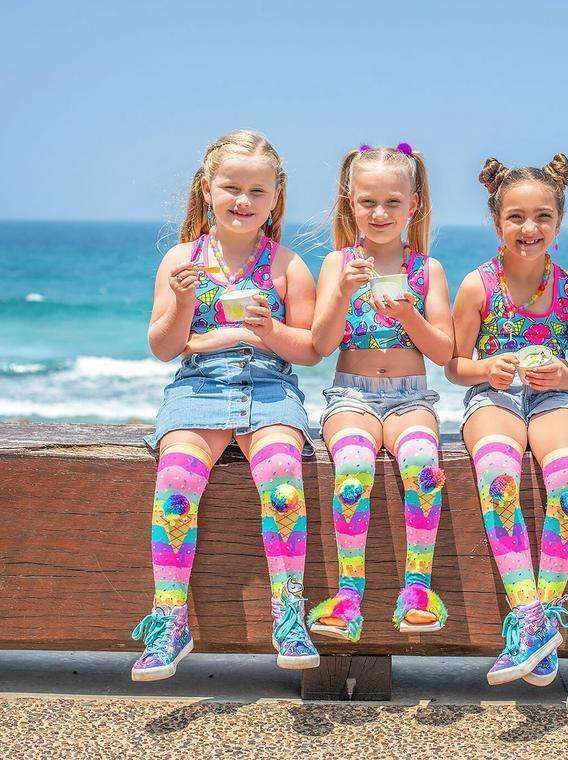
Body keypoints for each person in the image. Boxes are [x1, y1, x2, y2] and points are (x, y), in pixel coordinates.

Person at [131, 130, 320, 681]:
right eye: (231, 187)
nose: (243, 200)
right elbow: (165, 347)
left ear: (274, 197)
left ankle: (288, 614)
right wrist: (188, 303)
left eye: (257, 191)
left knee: (283, 481)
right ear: (207, 190)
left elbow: (307, 349)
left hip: (270, 390)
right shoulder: (181, 259)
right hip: (198, 391)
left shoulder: (289, 266)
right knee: (176, 484)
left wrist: (267, 329)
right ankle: (169, 620)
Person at [446, 153, 568, 686]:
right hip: (495, 399)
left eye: (542, 217)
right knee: (498, 475)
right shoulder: (477, 286)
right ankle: (527, 617)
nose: (529, 228)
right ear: (496, 223)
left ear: (558, 225)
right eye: (516, 217)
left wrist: (563, 375)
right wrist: (488, 368)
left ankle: (544, 615)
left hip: (554, 399)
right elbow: (455, 366)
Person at [307, 143, 454, 642]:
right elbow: (320, 344)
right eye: (368, 201)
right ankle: (349, 595)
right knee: (352, 469)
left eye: (393, 202)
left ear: (413, 205)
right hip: (351, 395)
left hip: (412, 397)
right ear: (351, 204)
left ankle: (417, 589)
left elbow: (443, 350)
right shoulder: (336, 265)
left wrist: (410, 314)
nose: (380, 213)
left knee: (424, 467)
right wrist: (344, 293)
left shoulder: (427, 270)